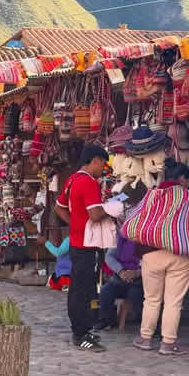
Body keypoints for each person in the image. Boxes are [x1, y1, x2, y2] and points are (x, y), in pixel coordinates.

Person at [133, 160, 189, 356]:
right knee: (174, 301)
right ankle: (168, 343)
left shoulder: (152, 196)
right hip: (181, 255)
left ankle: (146, 339)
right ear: (181, 178)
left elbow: (139, 219)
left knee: (151, 299)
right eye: (186, 178)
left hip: (152, 252)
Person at [54, 144, 110, 352]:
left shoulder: (72, 179)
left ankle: (82, 329)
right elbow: (95, 215)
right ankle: (81, 333)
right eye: (102, 163)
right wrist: (111, 209)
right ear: (95, 160)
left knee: (79, 287)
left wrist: (75, 223)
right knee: (84, 289)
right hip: (87, 244)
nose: (102, 168)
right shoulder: (88, 183)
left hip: (78, 242)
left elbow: (59, 207)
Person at [94, 231, 143, 331]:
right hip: (120, 277)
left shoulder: (145, 238)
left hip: (140, 279)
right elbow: (109, 257)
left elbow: (150, 261)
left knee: (136, 295)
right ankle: (105, 320)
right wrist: (121, 271)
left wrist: (137, 272)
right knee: (105, 291)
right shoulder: (120, 237)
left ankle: (147, 323)